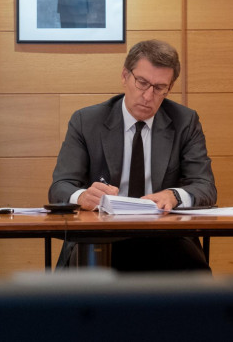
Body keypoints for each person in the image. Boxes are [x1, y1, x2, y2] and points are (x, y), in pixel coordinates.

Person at [49, 39, 217, 272]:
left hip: (166, 239)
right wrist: (83, 196)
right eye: (142, 82)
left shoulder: (184, 122)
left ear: (169, 87)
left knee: (195, 284)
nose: (148, 96)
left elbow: (205, 186)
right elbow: (60, 186)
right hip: (101, 236)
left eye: (159, 88)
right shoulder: (87, 121)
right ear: (125, 76)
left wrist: (174, 195)